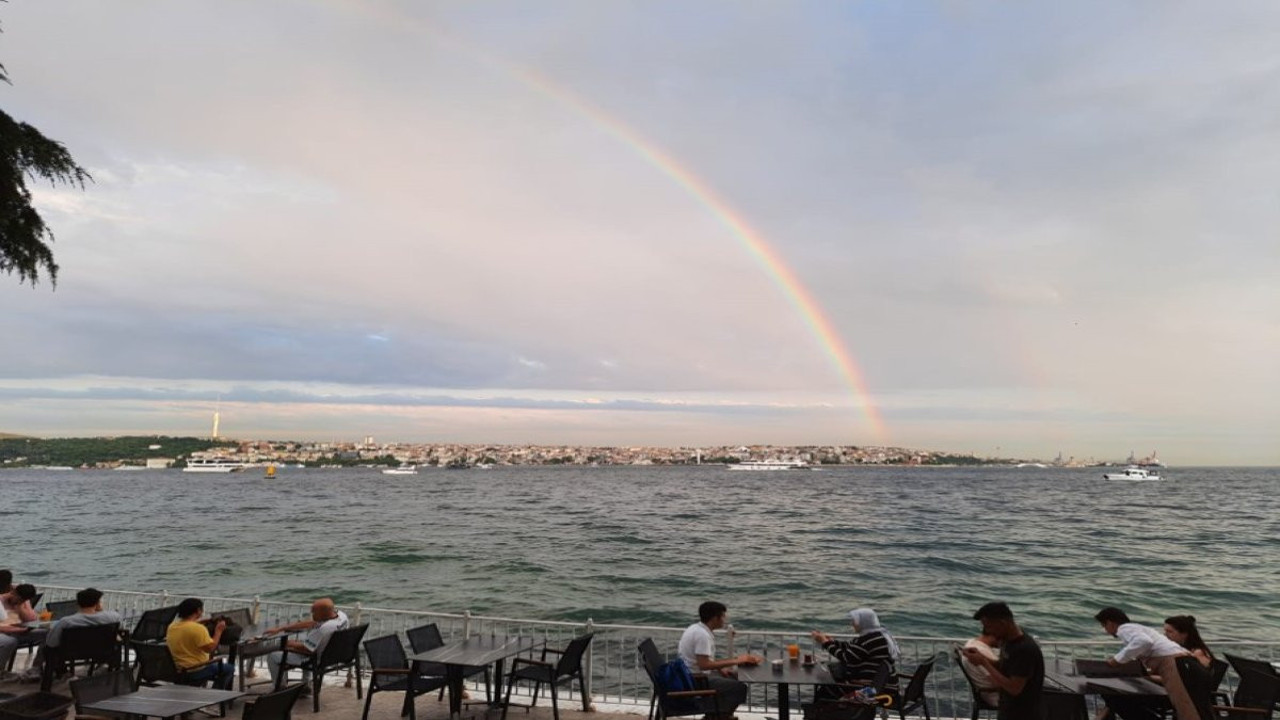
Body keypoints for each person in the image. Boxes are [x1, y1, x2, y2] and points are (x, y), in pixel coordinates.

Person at [1094, 607, 1196, 720]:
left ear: (1110, 623)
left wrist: (1117, 659)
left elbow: (1144, 641)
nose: (1106, 630)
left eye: (1104, 626)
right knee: (1185, 706)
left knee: (1183, 706)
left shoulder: (1124, 629)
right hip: (1183, 660)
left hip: (1173, 662)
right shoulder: (1138, 628)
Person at [677, 601, 762, 720]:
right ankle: (720, 716)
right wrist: (737, 660)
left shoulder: (696, 628)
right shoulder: (702, 635)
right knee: (739, 688)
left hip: (690, 674)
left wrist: (720, 668)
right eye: (722, 617)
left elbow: (703, 659)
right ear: (714, 618)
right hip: (695, 679)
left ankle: (716, 713)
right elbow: (704, 665)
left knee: (735, 677)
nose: (724, 620)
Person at [961, 602, 1043, 720]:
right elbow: (1005, 666)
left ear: (1003, 623)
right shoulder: (1007, 641)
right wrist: (982, 658)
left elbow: (1014, 689)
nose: (987, 631)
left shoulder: (1023, 649)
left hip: (1022, 713)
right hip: (1007, 707)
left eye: (989, 627)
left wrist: (984, 663)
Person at [19, 587, 122, 681]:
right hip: (101, 651)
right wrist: (100, 611)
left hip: (70, 653)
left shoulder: (67, 622)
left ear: (77, 603)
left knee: (47, 649)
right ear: (98, 604)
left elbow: (51, 643)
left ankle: (61, 673)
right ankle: (104, 665)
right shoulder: (112, 617)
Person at [811, 607, 902, 698]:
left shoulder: (868, 640)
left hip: (874, 689)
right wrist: (831, 642)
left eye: (855, 621)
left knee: (826, 688)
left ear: (863, 622)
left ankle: (822, 711)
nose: (852, 624)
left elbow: (846, 657)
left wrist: (825, 643)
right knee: (833, 677)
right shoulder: (878, 635)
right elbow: (852, 647)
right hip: (883, 684)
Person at [262, 598, 349, 691]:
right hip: (334, 656)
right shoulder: (341, 617)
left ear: (323, 613)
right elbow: (312, 623)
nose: (312, 614)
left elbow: (307, 649)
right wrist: (281, 628)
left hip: (316, 660)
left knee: (273, 656)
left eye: (314, 612)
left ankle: (280, 687)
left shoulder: (324, 629)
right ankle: (306, 685)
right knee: (303, 642)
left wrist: (288, 644)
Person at [166, 597, 234, 689]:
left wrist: (200, 622)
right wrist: (219, 631)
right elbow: (211, 648)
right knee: (229, 668)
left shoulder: (172, 626)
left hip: (177, 669)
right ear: (198, 611)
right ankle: (216, 694)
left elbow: (188, 627)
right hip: (195, 670)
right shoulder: (198, 629)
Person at [959, 632, 1000, 707]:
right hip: (996, 696)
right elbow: (997, 683)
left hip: (987, 694)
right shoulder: (981, 652)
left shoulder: (972, 643)